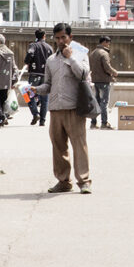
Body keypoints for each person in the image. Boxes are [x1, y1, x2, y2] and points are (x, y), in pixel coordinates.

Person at [33, 23, 93, 194]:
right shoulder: (51, 60)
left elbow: (83, 74)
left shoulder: (80, 55)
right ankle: (63, 181)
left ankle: (84, 181)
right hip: (55, 109)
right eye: (57, 38)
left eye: (63, 37)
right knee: (58, 147)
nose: (60, 41)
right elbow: (48, 84)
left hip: (74, 108)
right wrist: (36, 89)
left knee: (79, 145)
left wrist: (70, 58)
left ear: (70, 37)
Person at [89, 36, 118, 129]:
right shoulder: (104, 53)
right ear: (104, 42)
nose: (109, 45)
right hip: (104, 81)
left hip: (96, 80)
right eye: (108, 43)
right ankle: (104, 123)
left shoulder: (93, 53)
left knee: (96, 102)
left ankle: (93, 123)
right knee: (104, 103)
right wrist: (114, 72)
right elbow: (107, 67)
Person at [24, 29, 52, 126]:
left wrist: (27, 62)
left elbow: (30, 54)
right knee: (45, 98)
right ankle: (43, 120)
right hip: (45, 75)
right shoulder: (49, 47)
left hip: (34, 74)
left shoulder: (33, 45)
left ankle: (35, 113)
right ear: (44, 35)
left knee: (28, 94)